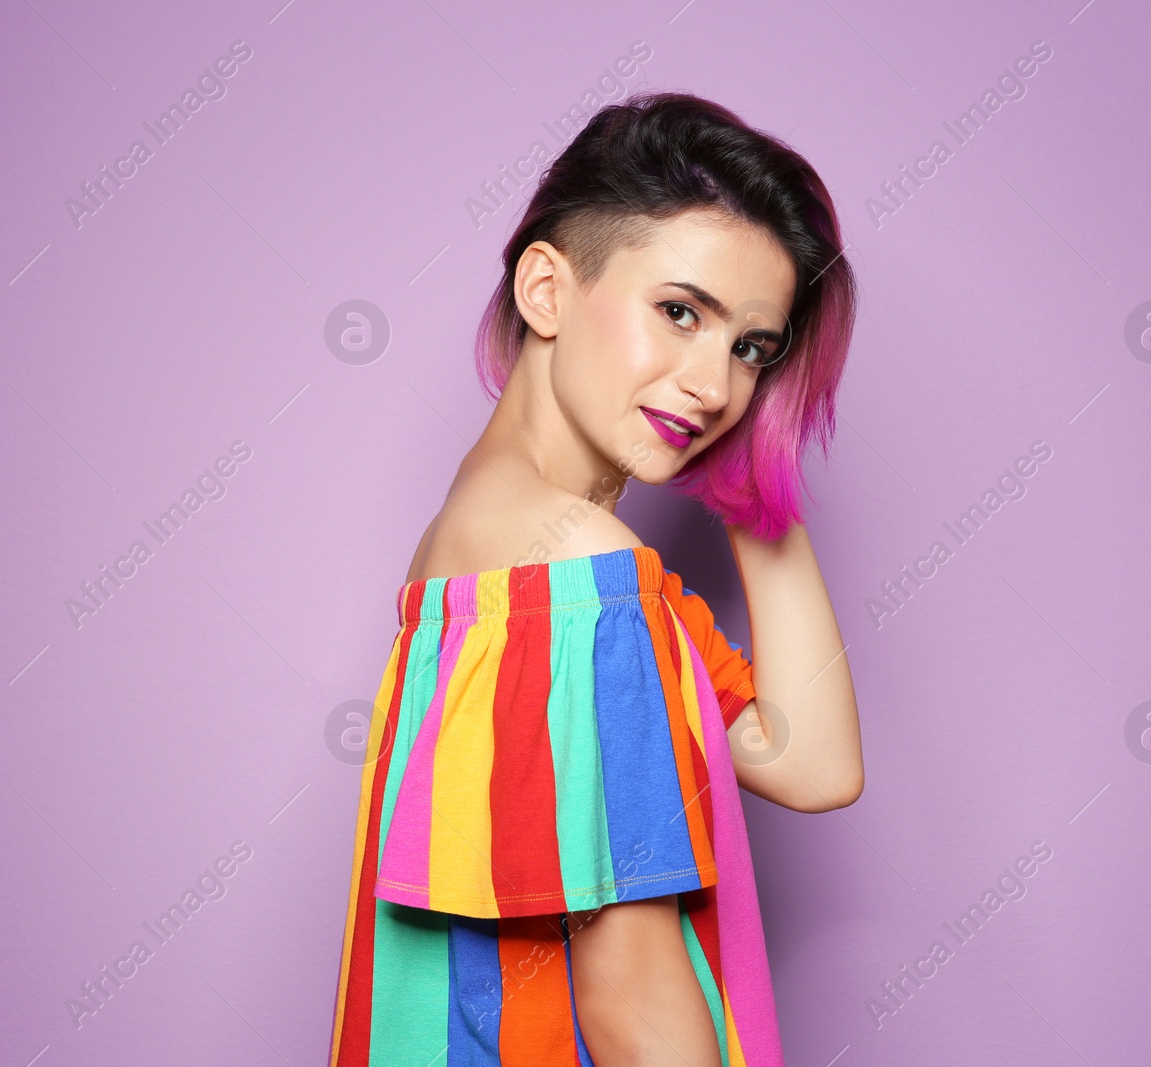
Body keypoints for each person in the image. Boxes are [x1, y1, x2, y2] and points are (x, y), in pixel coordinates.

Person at [328, 89, 863, 1066]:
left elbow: (809, 761)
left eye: (751, 348)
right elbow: (629, 1001)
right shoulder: (580, 569)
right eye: (678, 311)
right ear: (546, 291)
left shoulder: (482, 553)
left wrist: (753, 486)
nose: (716, 387)